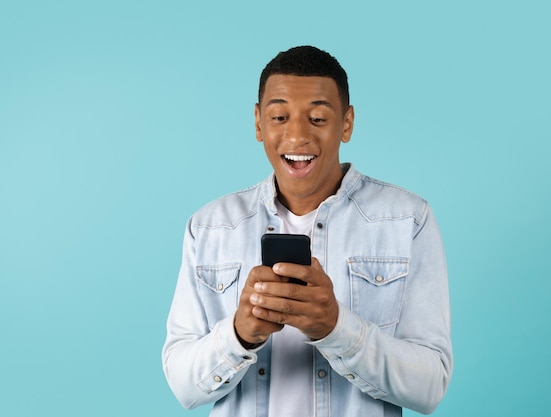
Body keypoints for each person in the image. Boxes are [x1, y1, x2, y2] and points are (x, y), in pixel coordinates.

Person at [162, 45, 453, 417]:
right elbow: (183, 386)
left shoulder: (408, 220)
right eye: (280, 117)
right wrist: (238, 334)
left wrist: (337, 328)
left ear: (346, 123)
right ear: (258, 123)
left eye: (317, 118)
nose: (297, 136)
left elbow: (430, 387)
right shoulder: (209, 227)